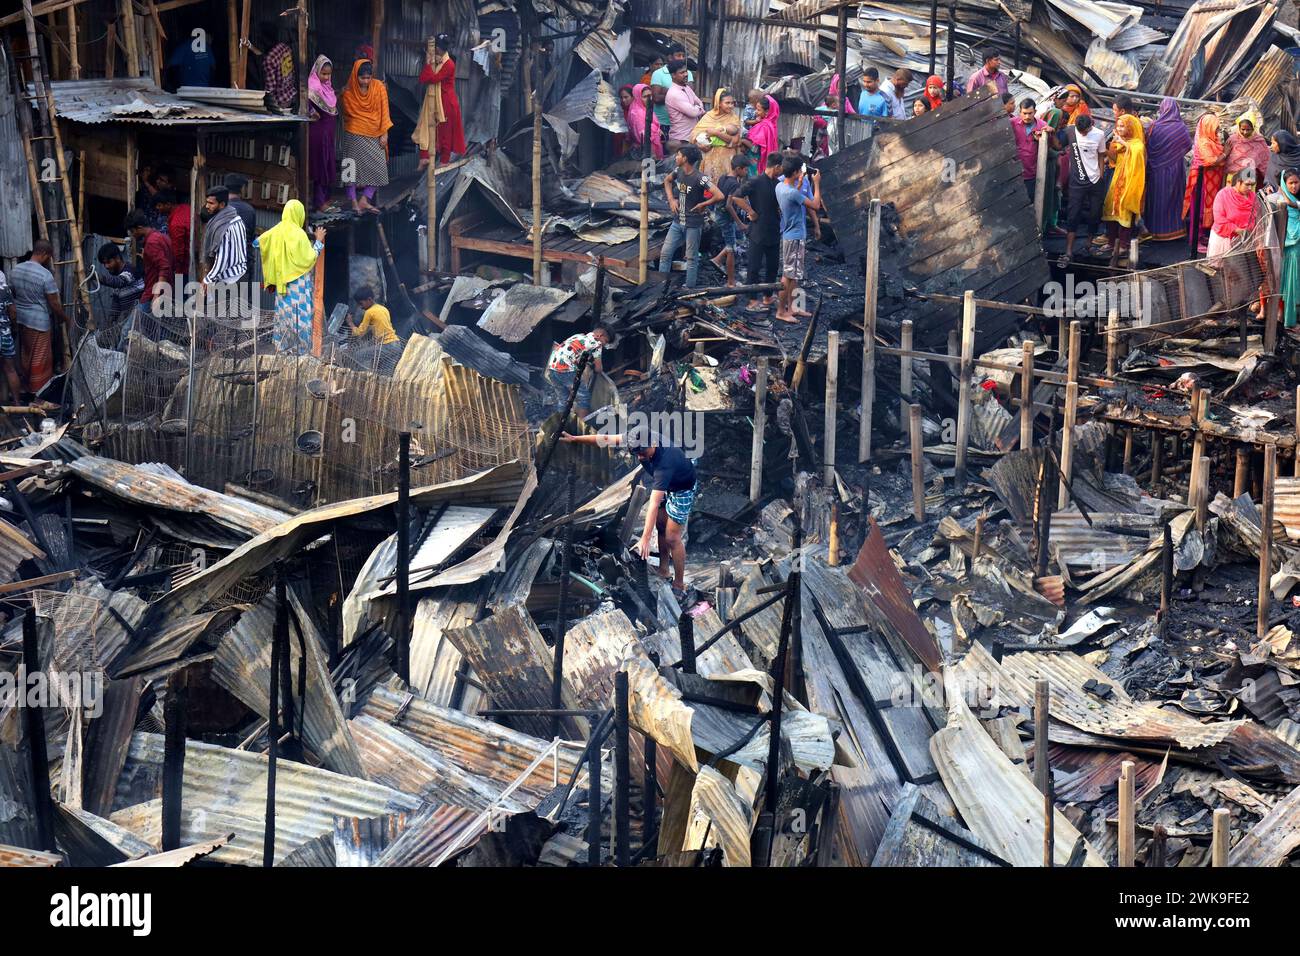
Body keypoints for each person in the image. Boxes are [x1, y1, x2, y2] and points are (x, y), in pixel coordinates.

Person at [559, 428, 697, 595]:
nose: (639, 457)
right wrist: (575, 438)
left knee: (672, 538)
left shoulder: (665, 463)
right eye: (635, 453)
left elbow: (653, 503)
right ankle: (663, 569)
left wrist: (645, 539)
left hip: (682, 488)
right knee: (661, 526)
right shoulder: (636, 438)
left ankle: (679, 583)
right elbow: (605, 438)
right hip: (666, 485)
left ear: (653, 444)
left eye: (643, 452)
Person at [256, 200, 325, 354]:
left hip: (282, 284)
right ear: (299, 214)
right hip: (297, 285)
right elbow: (309, 258)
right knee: (300, 318)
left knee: (283, 317)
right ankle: (301, 352)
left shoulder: (277, 230)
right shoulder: (299, 234)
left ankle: (282, 350)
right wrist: (318, 241)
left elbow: (257, 242)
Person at [658, 145, 722, 289]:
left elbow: (719, 195)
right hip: (677, 221)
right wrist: (671, 199)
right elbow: (667, 181)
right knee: (665, 254)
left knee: (692, 258)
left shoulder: (700, 178)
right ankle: (660, 286)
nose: (676, 157)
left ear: (685, 159)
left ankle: (689, 288)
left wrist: (704, 204)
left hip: (693, 223)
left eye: (678, 155)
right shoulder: (678, 171)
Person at [10, 241, 69, 394]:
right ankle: (39, 395)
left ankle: (27, 388)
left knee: (27, 355)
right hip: (39, 323)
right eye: (48, 257)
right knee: (41, 360)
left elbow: (13, 295)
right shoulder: (45, 275)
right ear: (44, 254)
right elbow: (54, 304)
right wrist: (64, 318)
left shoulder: (15, 270)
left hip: (22, 320)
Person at [732, 152, 784, 313]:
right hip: (758, 229)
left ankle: (768, 296)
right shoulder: (756, 181)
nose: (782, 171)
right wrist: (750, 211)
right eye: (781, 168)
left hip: (774, 228)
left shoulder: (777, 183)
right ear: (776, 166)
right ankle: (752, 300)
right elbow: (736, 197)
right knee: (754, 266)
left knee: (773, 266)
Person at [340, 59, 393, 215]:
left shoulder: (379, 87)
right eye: (362, 78)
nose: (366, 81)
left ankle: (365, 199)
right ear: (355, 76)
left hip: (375, 133)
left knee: (379, 168)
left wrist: (385, 132)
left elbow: (385, 111)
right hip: (354, 133)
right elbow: (347, 114)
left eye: (368, 77)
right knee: (350, 168)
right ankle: (353, 200)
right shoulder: (348, 92)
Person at [775, 157, 821, 323]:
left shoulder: (780, 186)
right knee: (787, 276)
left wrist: (800, 183)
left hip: (791, 235)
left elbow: (795, 198)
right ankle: (781, 311)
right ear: (794, 172)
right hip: (793, 237)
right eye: (799, 171)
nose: (802, 172)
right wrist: (816, 183)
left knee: (794, 275)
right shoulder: (792, 192)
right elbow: (815, 205)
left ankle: (793, 306)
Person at [1099, 114, 1146, 267]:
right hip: (1117, 179)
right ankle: (1112, 242)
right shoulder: (1120, 141)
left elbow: (1137, 152)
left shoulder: (1137, 143)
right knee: (1110, 208)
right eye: (1118, 126)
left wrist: (1123, 143)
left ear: (1130, 128)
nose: (1119, 129)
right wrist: (1113, 143)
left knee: (1125, 211)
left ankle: (1124, 245)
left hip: (1129, 182)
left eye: (1122, 126)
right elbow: (1112, 158)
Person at [1059, 113, 1107, 263]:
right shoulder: (1070, 131)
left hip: (1095, 181)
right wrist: (1050, 132)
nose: (1083, 134)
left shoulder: (1099, 134)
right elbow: (1057, 146)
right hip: (1077, 180)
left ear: (1091, 126)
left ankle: (1088, 244)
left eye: (1085, 131)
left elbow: (1101, 154)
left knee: (1095, 213)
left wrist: (1100, 173)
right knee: (1073, 214)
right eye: (1081, 132)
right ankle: (1068, 251)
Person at [1143, 97, 1193, 241]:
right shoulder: (1180, 127)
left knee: (1156, 199)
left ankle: (1154, 231)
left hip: (1155, 171)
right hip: (1175, 170)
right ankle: (1174, 231)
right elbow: (1187, 146)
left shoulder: (1154, 127)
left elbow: (1148, 147)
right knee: (1173, 200)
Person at [414, 34, 466, 167]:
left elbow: (431, 78)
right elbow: (426, 78)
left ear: (437, 48)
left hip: (446, 101)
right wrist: (431, 62)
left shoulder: (449, 64)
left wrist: (428, 63)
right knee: (425, 125)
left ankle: (444, 160)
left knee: (445, 131)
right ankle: (424, 157)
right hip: (434, 98)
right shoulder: (438, 61)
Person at [545, 326, 610, 419]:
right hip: (566, 371)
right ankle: (582, 425)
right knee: (584, 398)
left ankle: (561, 425)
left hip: (552, 369)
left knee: (563, 399)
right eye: (606, 341)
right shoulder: (597, 344)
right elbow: (598, 369)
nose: (605, 344)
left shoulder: (578, 336)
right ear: (600, 335)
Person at [1183, 113, 1226, 255]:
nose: (1217, 132)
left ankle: (1202, 236)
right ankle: (1195, 240)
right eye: (1215, 129)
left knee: (1207, 208)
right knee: (1199, 211)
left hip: (1211, 181)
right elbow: (1210, 161)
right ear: (1207, 128)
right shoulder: (1204, 142)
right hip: (1202, 182)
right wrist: (1225, 154)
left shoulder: (1212, 140)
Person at [709, 153, 751, 286]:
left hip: (719, 214)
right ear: (738, 169)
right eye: (745, 169)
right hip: (726, 218)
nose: (747, 171)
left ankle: (717, 259)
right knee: (731, 248)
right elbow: (728, 205)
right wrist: (740, 223)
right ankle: (730, 282)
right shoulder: (734, 184)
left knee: (738, 241)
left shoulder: (723, 178)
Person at [126, 208, 176, 313]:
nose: (132, 235)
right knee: (159, 328)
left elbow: (164, 267)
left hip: (152, 295)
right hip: (166, 292)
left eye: (132, 231)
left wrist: (156, 295)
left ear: (139, 228)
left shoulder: (151, 242)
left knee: (131, 328)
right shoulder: (162, 237)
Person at [200, 186, 249, 292]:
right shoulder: (237, 218)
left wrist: (208, 279)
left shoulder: (224, 227)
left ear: (222, 205)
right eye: (207, 202)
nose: (207, 206)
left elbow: (222, 258)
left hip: (228, 280)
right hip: (239, 274)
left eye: (211, 203)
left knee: (220, 308)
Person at [692, 88, 745, 181]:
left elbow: (735, 141)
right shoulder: (709, 116)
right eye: (727, 103)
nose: (731, 106)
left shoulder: (734, 118)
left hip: (727, 159)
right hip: (709, 158)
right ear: (719, 103)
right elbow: (694, 134)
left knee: (726, 186)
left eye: (732, 103)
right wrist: (700, 145)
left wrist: (716, 133)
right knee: (709, 188)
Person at [307, 55, 338, 211]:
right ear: (317, 72)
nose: (326, 77)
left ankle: (325, 199)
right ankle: (319, 203)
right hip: (319, 134)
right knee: (320, 167)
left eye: (328, 74)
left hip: (328, 134)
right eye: (323, 74)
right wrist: (312, 111)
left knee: (327, 164)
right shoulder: (313, 87)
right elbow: (305, 104)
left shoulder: (328, 88)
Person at [243, 25, 296, 112]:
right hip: (291, 94)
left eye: (261, 38)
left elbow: (270, 89)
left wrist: (265, 106)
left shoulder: (269, 60)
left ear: (264, 40)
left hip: (281, 102)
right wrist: (250, 46)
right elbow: (266, 57)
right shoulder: (284, 47)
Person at [1271, 169, 1300, 327]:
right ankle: (1289, 318)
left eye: (1296, 182)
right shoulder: (1279, 201)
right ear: (1284, 183)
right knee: (1290, 283)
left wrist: (1293, 204)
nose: (1294, 186)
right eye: (1290, 183)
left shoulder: (1293, 200)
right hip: (1291, 247)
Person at [1207, 174, 1260, 259]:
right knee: (1220, 270)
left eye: (1252, 185)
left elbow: (1258, 216)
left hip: (1246, 240)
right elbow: (1219, 219)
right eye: (1247, 184)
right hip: (1224, 240)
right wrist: (1237, 230)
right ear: (1238, 182)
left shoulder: (1253, 197)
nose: (1250, 188)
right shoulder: (1223, 194)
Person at [95, 242, 144, 329]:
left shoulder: (130, 269)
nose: (106, 266)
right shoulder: (117, 276)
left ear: (117, 258)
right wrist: (110, 323)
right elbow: (116, 303)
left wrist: (97, 277)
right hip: (129, 320)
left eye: (109, 262)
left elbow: (120, 282)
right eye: (104, 264)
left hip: (141, 318)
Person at [1010, 98, 1047, 202]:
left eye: (1030, 113)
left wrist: (1046, 135)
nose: (1027, 116)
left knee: (1030, 200)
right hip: (1014, 172)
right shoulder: (1012, 123)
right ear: (1020, 112)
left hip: (1031, 173)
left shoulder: (1043, 126)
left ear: (1035, 112)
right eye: (1024, 113)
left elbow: (1049, 146)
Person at [664, 59, 706, 151]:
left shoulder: (686, 87)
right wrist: (700, 109)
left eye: (686, 71)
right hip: (681, 138)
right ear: (673, 75)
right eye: (682, 72)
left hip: (691, 135)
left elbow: (698, 101)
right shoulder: (674, 93)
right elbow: (693, 112)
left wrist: (697, 107)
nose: (686, 74)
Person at [651, 44, 692, 131]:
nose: (681, 58)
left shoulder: (688, 73)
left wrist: (666, 91)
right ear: (670, 57)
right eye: (678, 55)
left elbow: (689, 97)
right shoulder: (658, 73)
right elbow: (656, 99)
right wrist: (678, 93)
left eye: (683, 56)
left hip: (682, 124)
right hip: (662, 123)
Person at [1225, 110, 1270, 185]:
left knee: (1247, 196)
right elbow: (1226, 163)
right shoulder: (1232, 140)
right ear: (1238, 128)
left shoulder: (1259, 141)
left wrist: (1268, 180)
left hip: (1249, 178)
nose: (1245, 132)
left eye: (1248, 129)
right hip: (1232, 178)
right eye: (1242, 129)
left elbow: (1265, 162)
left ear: (1253, 128)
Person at [624, 83, 663, 160]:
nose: (649, 99)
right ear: (638, 97)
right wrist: (656, 130)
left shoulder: (645, 108)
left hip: (653, 146)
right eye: (645, 97)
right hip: (648, 150)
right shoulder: (636, 113)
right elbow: (643, 135)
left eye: (650, 96)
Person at [0, 272, 20, 402]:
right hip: (4, 334)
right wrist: (14, 327)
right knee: (10, 370)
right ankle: (17, 405)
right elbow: (13, 312)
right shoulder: (3, 286)